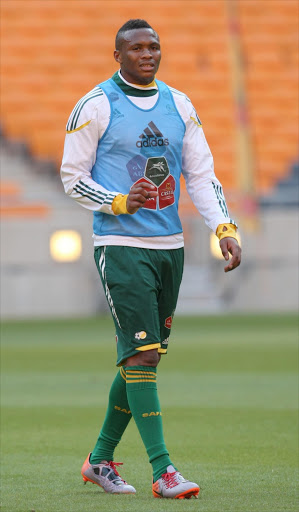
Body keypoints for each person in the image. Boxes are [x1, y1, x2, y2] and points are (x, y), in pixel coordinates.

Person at [60, 18, 241, 500]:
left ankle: (99, 460)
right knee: (141, 353)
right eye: (136, 48)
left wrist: (224, 226)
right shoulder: (95, 105)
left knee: (145, 357)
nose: (147, 54)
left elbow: (202, 175)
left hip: (171, 248)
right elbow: (72, 176)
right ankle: (164, 472)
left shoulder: (180, 105)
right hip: (120, 246)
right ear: (116, 55)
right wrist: (120, 201)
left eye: (154, 47)